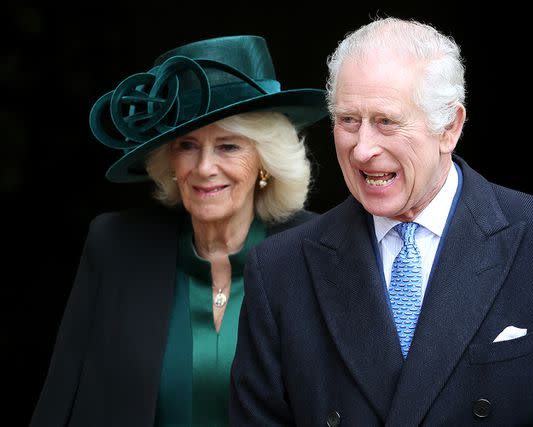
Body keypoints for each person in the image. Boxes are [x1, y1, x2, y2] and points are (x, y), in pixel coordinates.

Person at [229, 17, 533, 426]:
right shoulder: (279, 269)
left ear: (449, 128)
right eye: (348, 120)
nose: (362, 149)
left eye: (386, 121)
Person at [30, 35, 327, 427]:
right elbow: (60, 402)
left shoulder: (318, 252)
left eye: (228, 146)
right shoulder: (115, 247)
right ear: (169, 159)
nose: (204, 167)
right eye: (187, 145)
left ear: (265, 160)